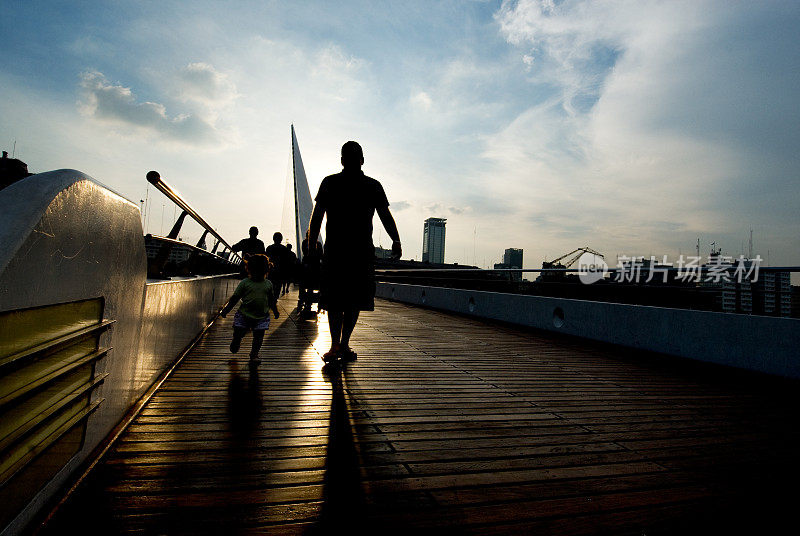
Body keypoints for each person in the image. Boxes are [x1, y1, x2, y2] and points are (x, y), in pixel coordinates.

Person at [308, 141, 401, 363]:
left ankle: (335, 345)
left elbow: (317, 215)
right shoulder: (373, 186)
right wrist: (396, 240)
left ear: (342, 160)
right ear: (362, 159)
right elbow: (385, 215)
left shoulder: (330, 182)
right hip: (361, 253)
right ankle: (344, 343)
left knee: (334, 299)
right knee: (354, 300)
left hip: (335, 252)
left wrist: (312, 243)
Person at [220, 254, 279, 364]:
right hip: (244, 315)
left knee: (259, 336)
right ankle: (236, 340)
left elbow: (271, 300)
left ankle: (254, 354)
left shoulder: (268, 284)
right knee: (239, 332)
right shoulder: (245, 283)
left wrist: (275, 311)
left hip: (262, 316)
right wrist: (226, 309)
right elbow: (235, 298)